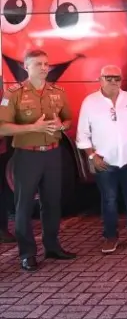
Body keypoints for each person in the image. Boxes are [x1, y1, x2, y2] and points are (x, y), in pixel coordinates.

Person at [0, 49, 76, 271]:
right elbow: (2, 127)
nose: (44, 68)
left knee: (52, 203)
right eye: (38, 64)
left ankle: (52, 246)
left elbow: (68, 120)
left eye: (46, 64)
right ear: (26, 67)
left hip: (52, 154)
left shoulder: (58, 92)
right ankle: (27, 254)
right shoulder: (13, 93)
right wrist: (34, 127)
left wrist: (61, 126)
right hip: (27, 156)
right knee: (23, 206)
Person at [76, 65, 127, 253]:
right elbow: (82, 134)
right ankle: (110, 237)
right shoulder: (90, 102)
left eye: (117, 78)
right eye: (109, 78)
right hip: (105, 163)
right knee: (109, 200)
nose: (113, 81)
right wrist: (92, 156)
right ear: (100, 79)